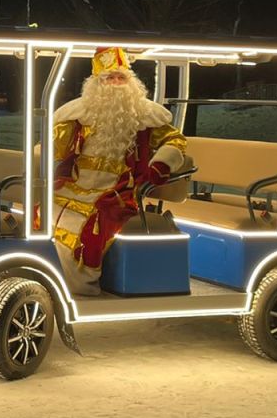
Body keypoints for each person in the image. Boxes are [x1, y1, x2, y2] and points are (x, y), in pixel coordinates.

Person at [50, 47, 187, 295]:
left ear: (130, 82)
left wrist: (162, 164)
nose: (115, 84)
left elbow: (175, 141)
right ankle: (53, 278)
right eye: (109, 78)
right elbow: (59, 149)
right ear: (97, 84)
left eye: (120, 78)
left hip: (118, 190)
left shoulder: (145, 115)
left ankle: (81, 287)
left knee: (84, 223)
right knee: (43, 209)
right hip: (76, 183)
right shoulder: (81, 113)